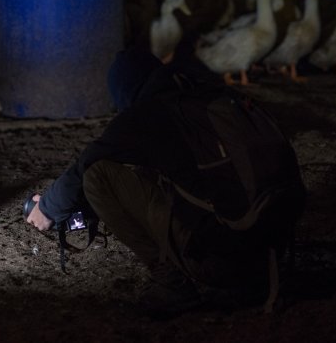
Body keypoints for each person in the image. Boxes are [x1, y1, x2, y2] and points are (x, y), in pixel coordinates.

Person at [25, 40, 306, 314]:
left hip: (220, 262)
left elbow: (87, 163)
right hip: (271, 254)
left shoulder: (147, 114)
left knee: (98, 178)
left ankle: (172, 283)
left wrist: (48, 208)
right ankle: (246, 274)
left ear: (125, 90)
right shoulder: (206, 95)